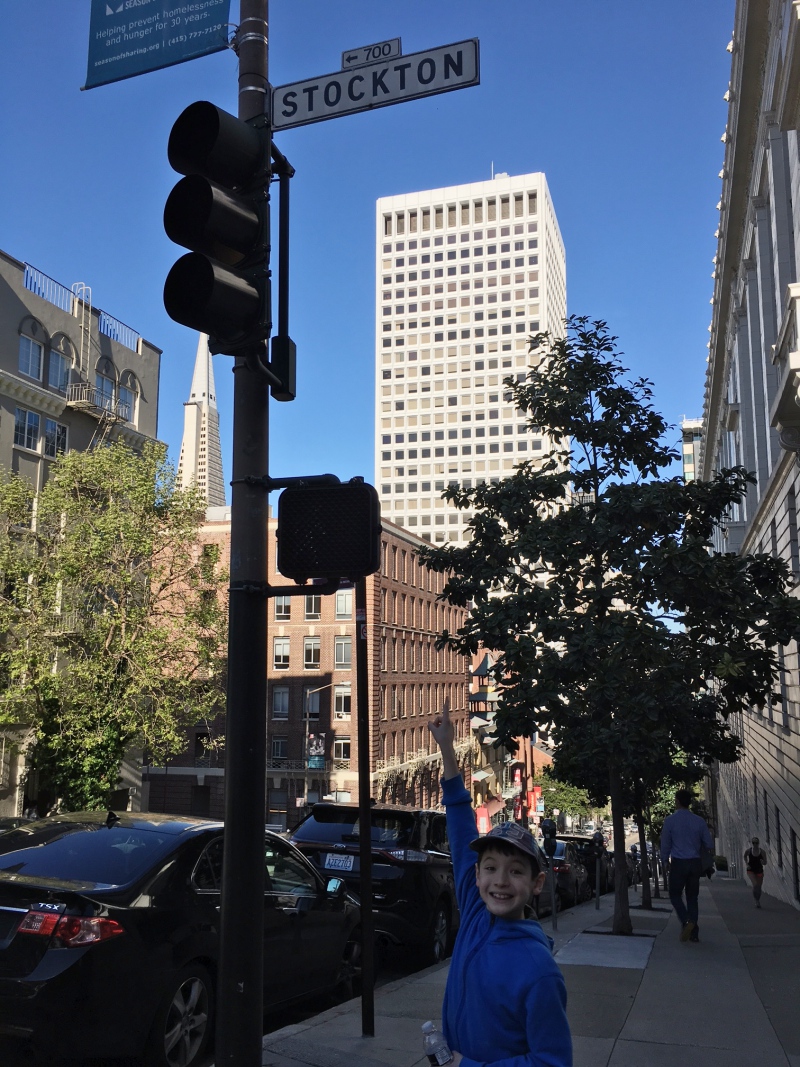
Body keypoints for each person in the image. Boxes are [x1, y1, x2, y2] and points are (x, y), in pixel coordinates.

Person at [428, 705, 572, 1067]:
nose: (501, 881)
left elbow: (552, 1062)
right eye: (490, 868)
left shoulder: (539, 972)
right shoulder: (477, 912)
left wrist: (465, 1065)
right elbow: (462, 830)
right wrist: (446, 748)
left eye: (516, 871)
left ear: (537, 883)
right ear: (476, 877)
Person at [660, 789, 714, 944]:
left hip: (679, 862)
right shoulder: (699, 821)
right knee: (692, 897)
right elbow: (709, 843)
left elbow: (666, 844)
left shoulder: (670, 821)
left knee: (675, 895)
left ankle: (686, 920)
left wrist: (664, 860)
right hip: (695, 862)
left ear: (677, 801)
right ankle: (694, 932)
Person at [744, 838, 767, 908]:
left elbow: (765, 862)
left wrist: (763, 862)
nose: (755, 844)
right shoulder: (749, 851)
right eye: (753, 843)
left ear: (758, 843)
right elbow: (745, 856)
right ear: (752, 843)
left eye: (756, 843)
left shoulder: (762, 852)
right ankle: (756, 900)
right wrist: (747, 864)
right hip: (751, 870)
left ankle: (758, 900)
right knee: (755, 884)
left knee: (759, 887)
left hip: (759, 870)